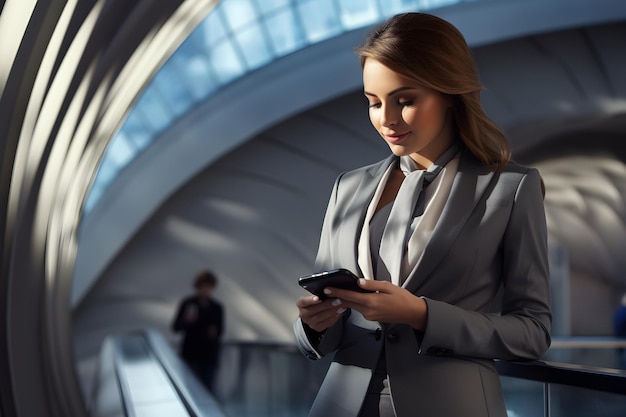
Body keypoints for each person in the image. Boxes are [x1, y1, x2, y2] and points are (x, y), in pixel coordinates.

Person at [294, 12, 552, 417]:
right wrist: (315, 324)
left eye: (405, 100)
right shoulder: (349, 187)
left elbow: (533, 331)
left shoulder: (511, 188)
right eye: (374, 103)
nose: (387, 120)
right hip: (341, 405)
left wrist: (422, 315)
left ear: (449, 91)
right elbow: (324, 325)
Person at [172, 269, 224, 392]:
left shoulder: (216, 307)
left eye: (208, 286)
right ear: (198, 286)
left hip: (209, 355)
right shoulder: (188, 303)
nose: (206, 290)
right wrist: (186, 321)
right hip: (191, 354)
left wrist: (214, 332)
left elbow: (221, 330)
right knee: (189, 389)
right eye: (203, 286)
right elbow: (176, 327)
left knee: (207, 389)